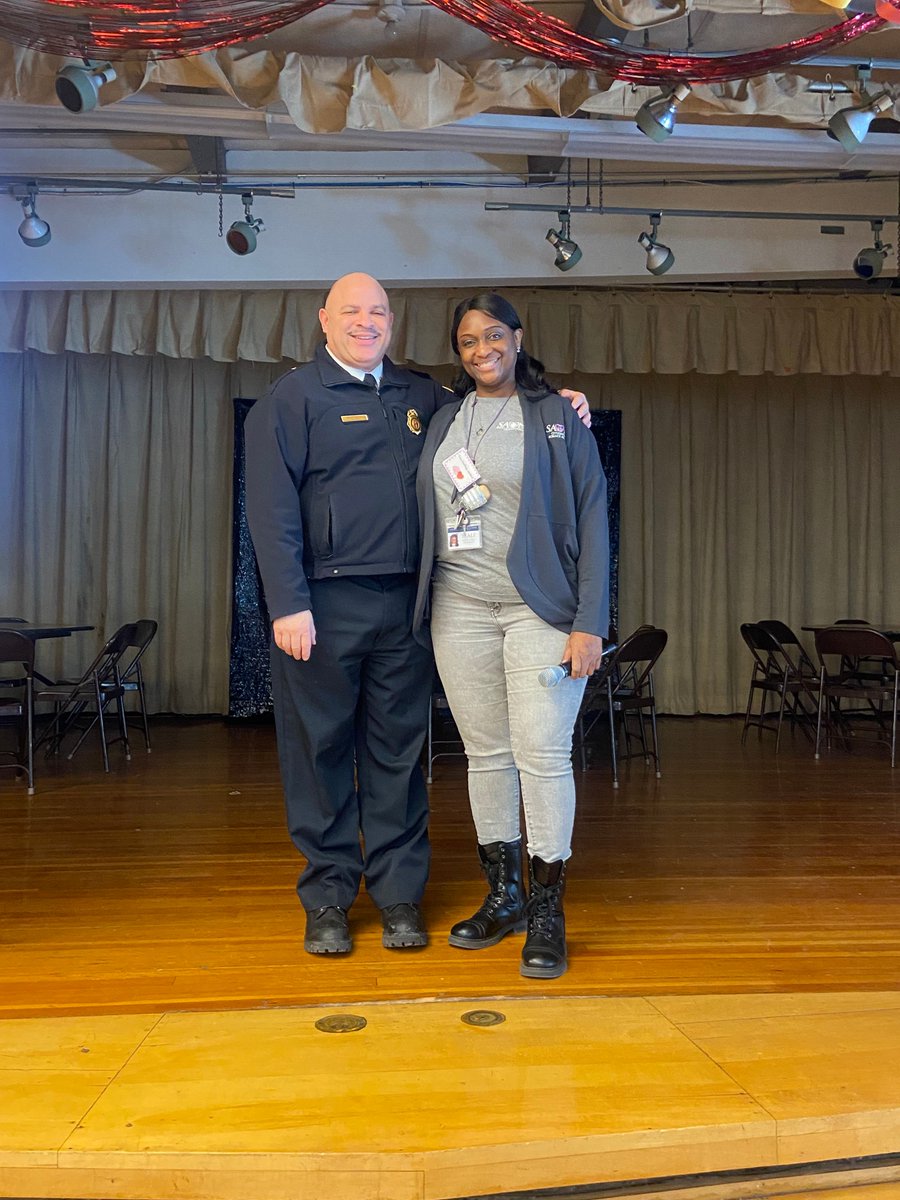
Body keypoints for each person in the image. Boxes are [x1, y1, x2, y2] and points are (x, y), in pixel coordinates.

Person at [244, 273, 591, 958]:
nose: (365, 322)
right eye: (351, 311)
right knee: (319, 756)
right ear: (324, 320)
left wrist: (560, 399)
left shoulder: (424, 397)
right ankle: (328, 898)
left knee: (398, 756)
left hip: (410, 608)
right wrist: (288, 602)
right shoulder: (289, 399)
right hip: (321, 607)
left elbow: (498, 400)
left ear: (392, 322)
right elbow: (270, 508)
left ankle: (399, 896)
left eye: (377, 311)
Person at [413, 292, 609, 979]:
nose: (481, 349)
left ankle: (549, 911)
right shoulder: (441, 419)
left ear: (517, 338)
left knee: (543, 756)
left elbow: (592, 519)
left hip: (539, 612)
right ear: (458, 351)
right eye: (467, 340)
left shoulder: (557, 415)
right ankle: (504, 897)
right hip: (458, 608)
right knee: (486, 755)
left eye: (493, 335)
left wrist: (590, 623)